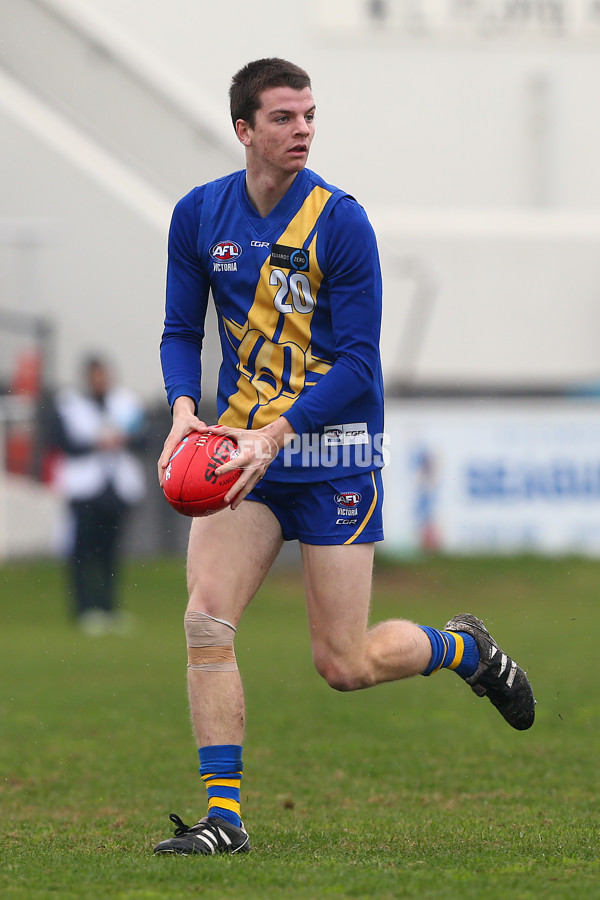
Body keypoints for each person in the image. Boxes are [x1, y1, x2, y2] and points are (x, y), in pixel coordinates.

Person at [154, 58, 535, 856]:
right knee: (204, 621)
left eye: (310, 116)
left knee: (346, 663)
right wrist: (186, 410)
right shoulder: (198, 216)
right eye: (285, 119)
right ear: (244, 130)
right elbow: (179, 331)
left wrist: (276, 432)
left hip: (331, 457)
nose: (303, 131)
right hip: (243, 459)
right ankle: (225, 817)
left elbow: (361, 363)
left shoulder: (340, 222)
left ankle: (463, 648)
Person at [49, 355, 146, 634]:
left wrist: (121, 439)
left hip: (116, 488)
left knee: (110, 551)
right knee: (82, 552)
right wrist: (98, 442)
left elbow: (144, 438)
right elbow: (61, 443)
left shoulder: (125, 402)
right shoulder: (69, 404)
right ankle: (83, 609)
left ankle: (108, 607)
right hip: (84, 488)